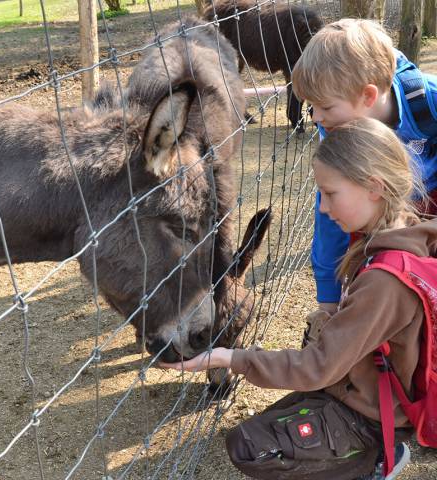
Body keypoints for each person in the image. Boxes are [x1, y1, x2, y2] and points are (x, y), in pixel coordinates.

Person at [160, 118, 430, 480]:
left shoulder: (384, 280)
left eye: (330, 193)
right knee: (267, 425)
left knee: (249, 447)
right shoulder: (406, 232)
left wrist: (229, 357)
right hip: (362, 385)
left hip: (375, 409)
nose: (323, 207)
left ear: (374, 187)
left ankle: (377, 459)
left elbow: (317, 366)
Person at [290, 18, 437, 318]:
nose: (317, 117)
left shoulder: (428, 103)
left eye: (326, 107)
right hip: (384, 215)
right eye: (311, 108)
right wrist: (328, 300)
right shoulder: (337, 128)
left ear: (368, 96)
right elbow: (331, 215)